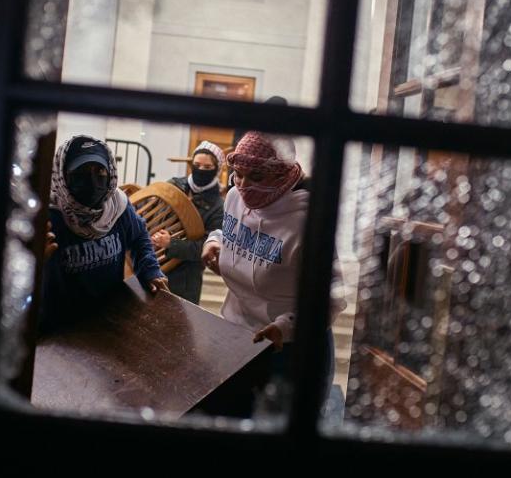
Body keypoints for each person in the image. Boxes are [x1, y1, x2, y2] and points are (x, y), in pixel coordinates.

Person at [201, 131, 345, 416]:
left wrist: (286, 326)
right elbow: (228, 230)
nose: (243, 185)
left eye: (256, 176)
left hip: (292, 350)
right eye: (237, 173)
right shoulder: (233, 198)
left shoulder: (308, 223)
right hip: (239, 337)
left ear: (281, 174)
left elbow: (332, 298)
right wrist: (214, 242)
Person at [40, 135, 168, 334]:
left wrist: (149, 271)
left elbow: (139, 236)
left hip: (111, 319)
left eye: (100, 171)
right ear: (63, 175)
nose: (92, 180)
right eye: (81, 172)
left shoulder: (118, 206)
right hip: (62, 330)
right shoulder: (48, 216)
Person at [150, 141, 225, 306]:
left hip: (185, 280)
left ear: (217, 169)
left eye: (207, 167)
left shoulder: (218, 206)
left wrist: (172, 243)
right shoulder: (172, 186)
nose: (201, 170)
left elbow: (206, 248)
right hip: (152, 265)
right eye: (197, 165)